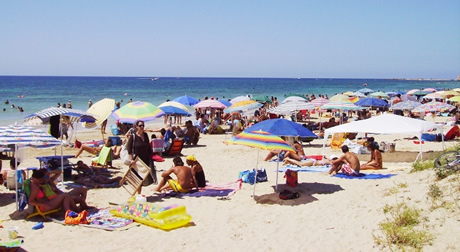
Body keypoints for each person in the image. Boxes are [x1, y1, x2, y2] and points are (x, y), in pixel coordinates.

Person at [127, 120, 156, 186]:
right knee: (138, 177)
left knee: (145, 178)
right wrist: (131, 160)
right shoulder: (133, 136)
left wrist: (151, 158)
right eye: (140, 125)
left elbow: (148, 147)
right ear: (136, 127)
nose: (142, 127)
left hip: (145, 159)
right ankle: (138, 194)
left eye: (143, 125)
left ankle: (139, 194)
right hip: (137, 160)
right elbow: (129, 149)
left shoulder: (145, 135)